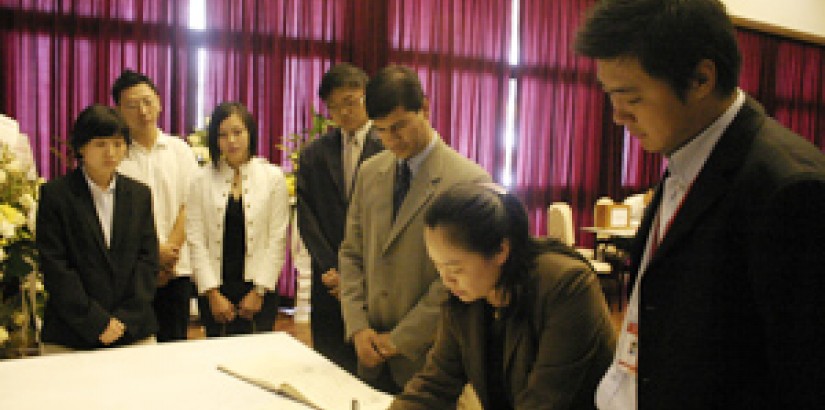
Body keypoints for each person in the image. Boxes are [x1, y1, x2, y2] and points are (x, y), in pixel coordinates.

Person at [574, 0, 825, 408]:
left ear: (700, 78)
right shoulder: (689, 155)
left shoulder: (789, 190)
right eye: (610, 95)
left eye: (631, 98)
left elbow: (804, 378)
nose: (617, 115)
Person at [389, 183, 616, 409]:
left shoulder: (567, 287)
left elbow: (545, 401)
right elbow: (435, 385)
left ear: (500, 251)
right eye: (438, 267)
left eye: (455, 268)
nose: (447, 281)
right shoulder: (466, 296)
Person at [339, 65, 491, 393]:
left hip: (431, 359)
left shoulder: (467, 180)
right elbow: (351, 253)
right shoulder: (370, 173)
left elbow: (456, 282)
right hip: (370, 354)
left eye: (399, 126)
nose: (391, 140)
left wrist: (399, 339)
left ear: (425, 107)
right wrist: (358, 327)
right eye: (380, 130)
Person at [36, 104, 158, 352]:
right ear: (82, 147)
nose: (110, 152)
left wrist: (124, 319)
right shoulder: (56, 195)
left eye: (117, 143)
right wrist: (96, 322)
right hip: (72, 332)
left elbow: (147, 260)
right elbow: (55, 265)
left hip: (132, 329)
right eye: (100, 144)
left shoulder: (139, 194)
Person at [297, 63, 384, 374]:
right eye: (334, 106)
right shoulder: (315, 154)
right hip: (329, 278)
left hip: (375, 278)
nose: (343, 113)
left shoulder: (388, 147)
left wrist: (357, 275)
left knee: (371, 368)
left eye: (351, 102)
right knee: (331, 363)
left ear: (367, 97)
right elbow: (306, 217)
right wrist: (332, 267)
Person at [186, 102, 289, 337]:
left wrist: (259, 291)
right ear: (214, 139)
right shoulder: (200, 180)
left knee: (257, 359)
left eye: (237, 132)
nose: (231, 141)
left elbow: (277, 238)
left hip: (258, 289)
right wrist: (212, 293)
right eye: (222, 135)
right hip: (215, 288)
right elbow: (195, 239)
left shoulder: (272, 177)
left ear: (250, 133)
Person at [113, 70, 199, 342]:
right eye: (132, 105)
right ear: (119, 110)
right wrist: (153, 254)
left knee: (174, 346)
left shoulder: (180, 150)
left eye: (148, 101)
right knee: (132, 348)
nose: (143, 110)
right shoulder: (115, 155)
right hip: (131, 273)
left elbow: (191, 204)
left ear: (159, 102)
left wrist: (168, 254)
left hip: (176, 271)